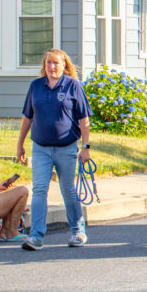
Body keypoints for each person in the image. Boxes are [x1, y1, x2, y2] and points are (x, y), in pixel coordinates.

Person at [16, 48, 92, 251]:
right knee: (39, 190)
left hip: (66, 148)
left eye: (56, 63)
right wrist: (20, 143)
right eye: (48, 63)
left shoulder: (73, 86)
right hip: (40, 148)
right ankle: (36, 236)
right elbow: (27, 117)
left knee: (68, 190)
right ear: (44, 65)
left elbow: (84, 120)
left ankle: (78, 231)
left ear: (64, 65)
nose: (52, 67)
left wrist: (85, 147)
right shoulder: (36, 86)